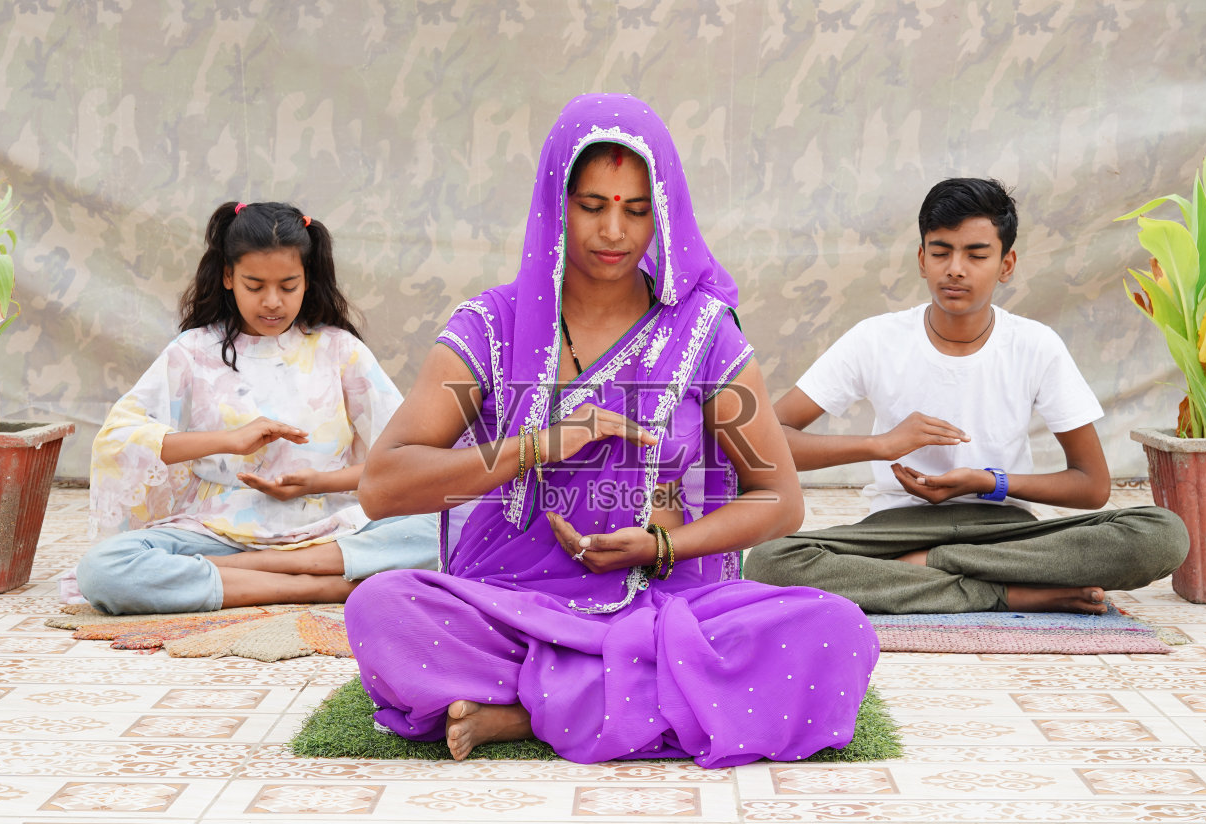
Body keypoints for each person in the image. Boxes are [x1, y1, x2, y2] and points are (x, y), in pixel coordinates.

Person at [344, 94, 877, 768]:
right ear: (554, 204)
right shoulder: (491, 326)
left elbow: (780, 498)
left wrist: (661, 546)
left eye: (636, 209)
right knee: (381, 609)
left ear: (665, 213)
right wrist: (540, 444)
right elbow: (382, 488)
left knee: (837, 632)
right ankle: (624, 697)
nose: (614, 233)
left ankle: (522, 714)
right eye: (593, 205)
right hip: (513, 609)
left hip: (666, 609)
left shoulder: (703, 331)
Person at [744, 178, 1188, 616]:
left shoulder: (1036, 345)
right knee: (769, 562)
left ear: (1006, 264)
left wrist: (988, 482)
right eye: (940, 252)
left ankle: (924, 572)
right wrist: (880, 445)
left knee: (1163, 533)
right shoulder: (875, 338)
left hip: (1005, 531)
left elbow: (1092, 487)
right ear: (922, 259)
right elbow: (767, 442)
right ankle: (1005, 592)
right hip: (895, 531)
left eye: (976, 254)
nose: (955, 268)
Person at [67, 201, 438, 615]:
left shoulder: (340, 350)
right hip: (220, 530)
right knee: (103, 570)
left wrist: (318, 483)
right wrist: (229, 440)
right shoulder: (193, 352)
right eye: (255, 285)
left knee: (447, 530)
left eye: (288, 286)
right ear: (228, 277)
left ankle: (256, 574)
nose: (272, 302)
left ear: (308, 279)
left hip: (330, 526)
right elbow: (119, 439)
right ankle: (323, 588)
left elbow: (405, 461)